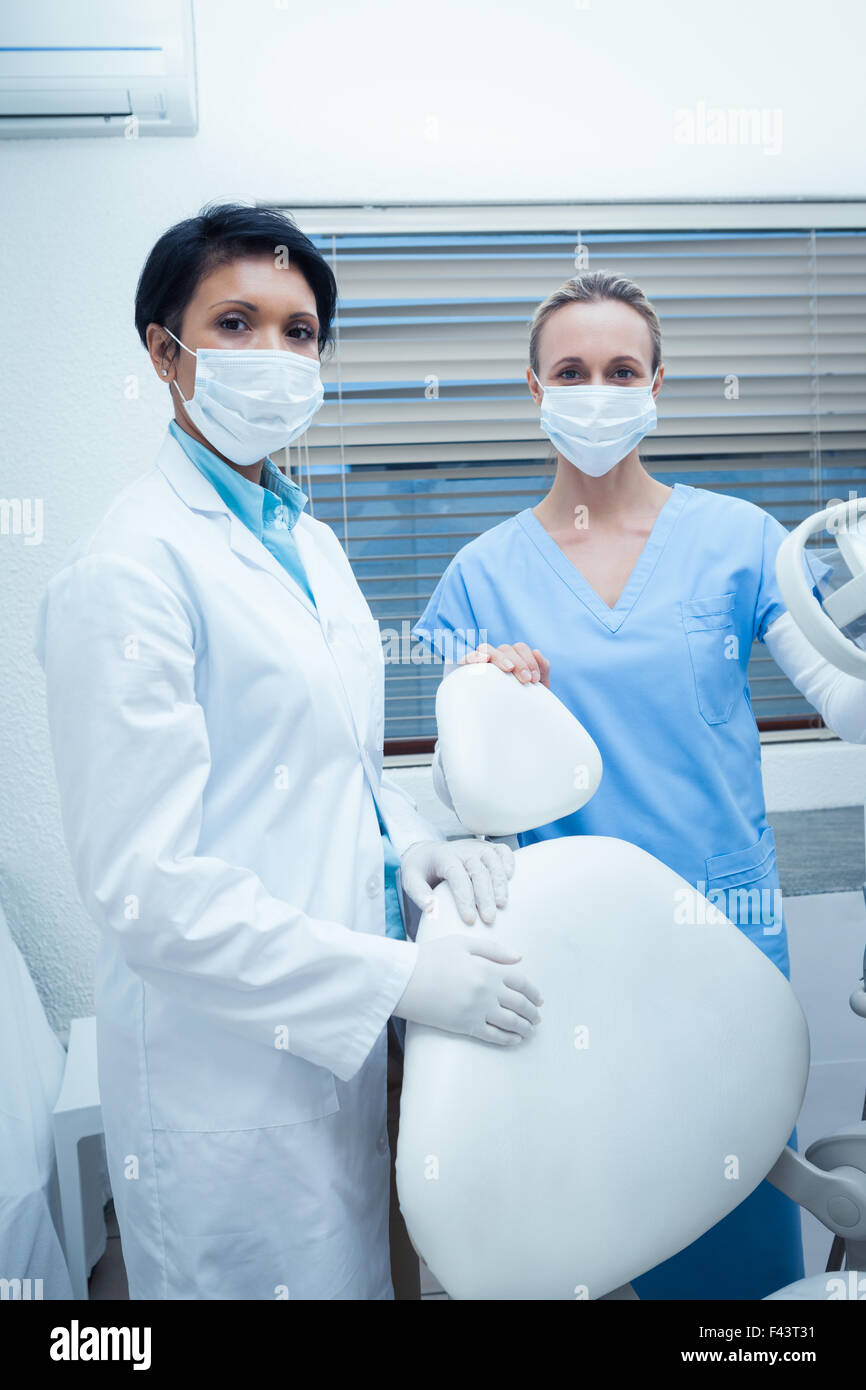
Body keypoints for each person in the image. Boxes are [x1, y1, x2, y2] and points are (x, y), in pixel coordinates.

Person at [33, 203, 543, 1301]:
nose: (272, 354)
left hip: (327, 1045)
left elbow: (333, 767)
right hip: (220, 1083)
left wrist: (410, 845)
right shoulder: (129, 568)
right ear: (163, 352)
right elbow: (147, 892)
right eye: (234, 322)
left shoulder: (301, 537)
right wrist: (403, 975)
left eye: (299, 331)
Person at [413, 270, 866, 1299]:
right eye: (570, 370)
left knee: (736, 1215)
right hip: (571, 949)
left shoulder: (736, 539)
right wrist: (481, 694)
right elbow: (452, 784)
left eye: (620, 368)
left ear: (657, 382)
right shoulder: (481, 574)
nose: (596, 390)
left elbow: (846, 706)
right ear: (533, 388)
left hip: (724, 937)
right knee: (594, 1219)